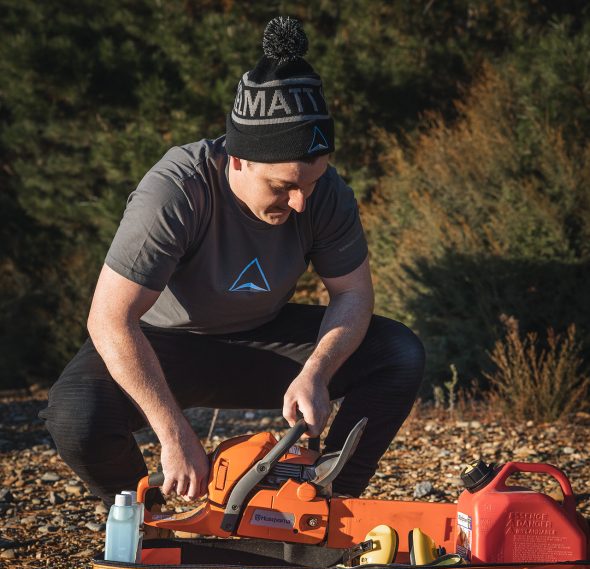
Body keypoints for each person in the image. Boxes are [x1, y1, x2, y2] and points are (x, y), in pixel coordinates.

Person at [40, 17, 425, 505]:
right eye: (284, 186)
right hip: (165, 345)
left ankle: (325, 507)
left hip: (265, 339)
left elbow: (352, 294)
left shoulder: (326, 195)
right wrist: (173, 434)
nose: (301, 201)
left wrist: (317, 373)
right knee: (75, 414)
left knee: (398, 353)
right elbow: (110, 320)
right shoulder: (177, 190)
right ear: (238, 159)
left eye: (310, 183)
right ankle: (149, 528)